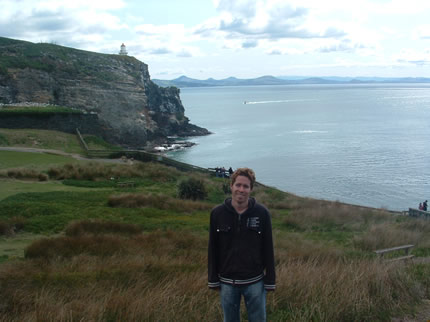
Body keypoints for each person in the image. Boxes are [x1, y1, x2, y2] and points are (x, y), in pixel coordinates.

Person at [208, 167, 276, 322]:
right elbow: (213, 248)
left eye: (246, 186)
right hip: (227, 283)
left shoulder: (262, 213)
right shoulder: (217, 213)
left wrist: (270, 280)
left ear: (251, 189)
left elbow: (268, 248)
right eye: (238, 185)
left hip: (255, 282)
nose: (241, 189)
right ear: (231, 186)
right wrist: (213, 279)